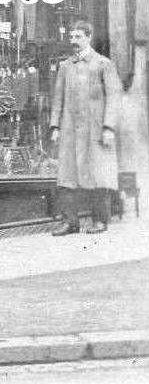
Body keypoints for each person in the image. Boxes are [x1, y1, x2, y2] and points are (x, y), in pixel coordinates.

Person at [49, 20, 121, 235]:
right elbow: (57, 98)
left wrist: (108, 127)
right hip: (70, 129)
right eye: (71, 37)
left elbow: (114, 97)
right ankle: (70, 222)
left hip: (96, 130)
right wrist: (55, 126)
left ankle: (100, 221)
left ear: (89, 37)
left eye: (78, 37)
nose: (74, 41)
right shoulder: (65, 66)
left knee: (99, 174)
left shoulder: (103, 64)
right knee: (67, 176)